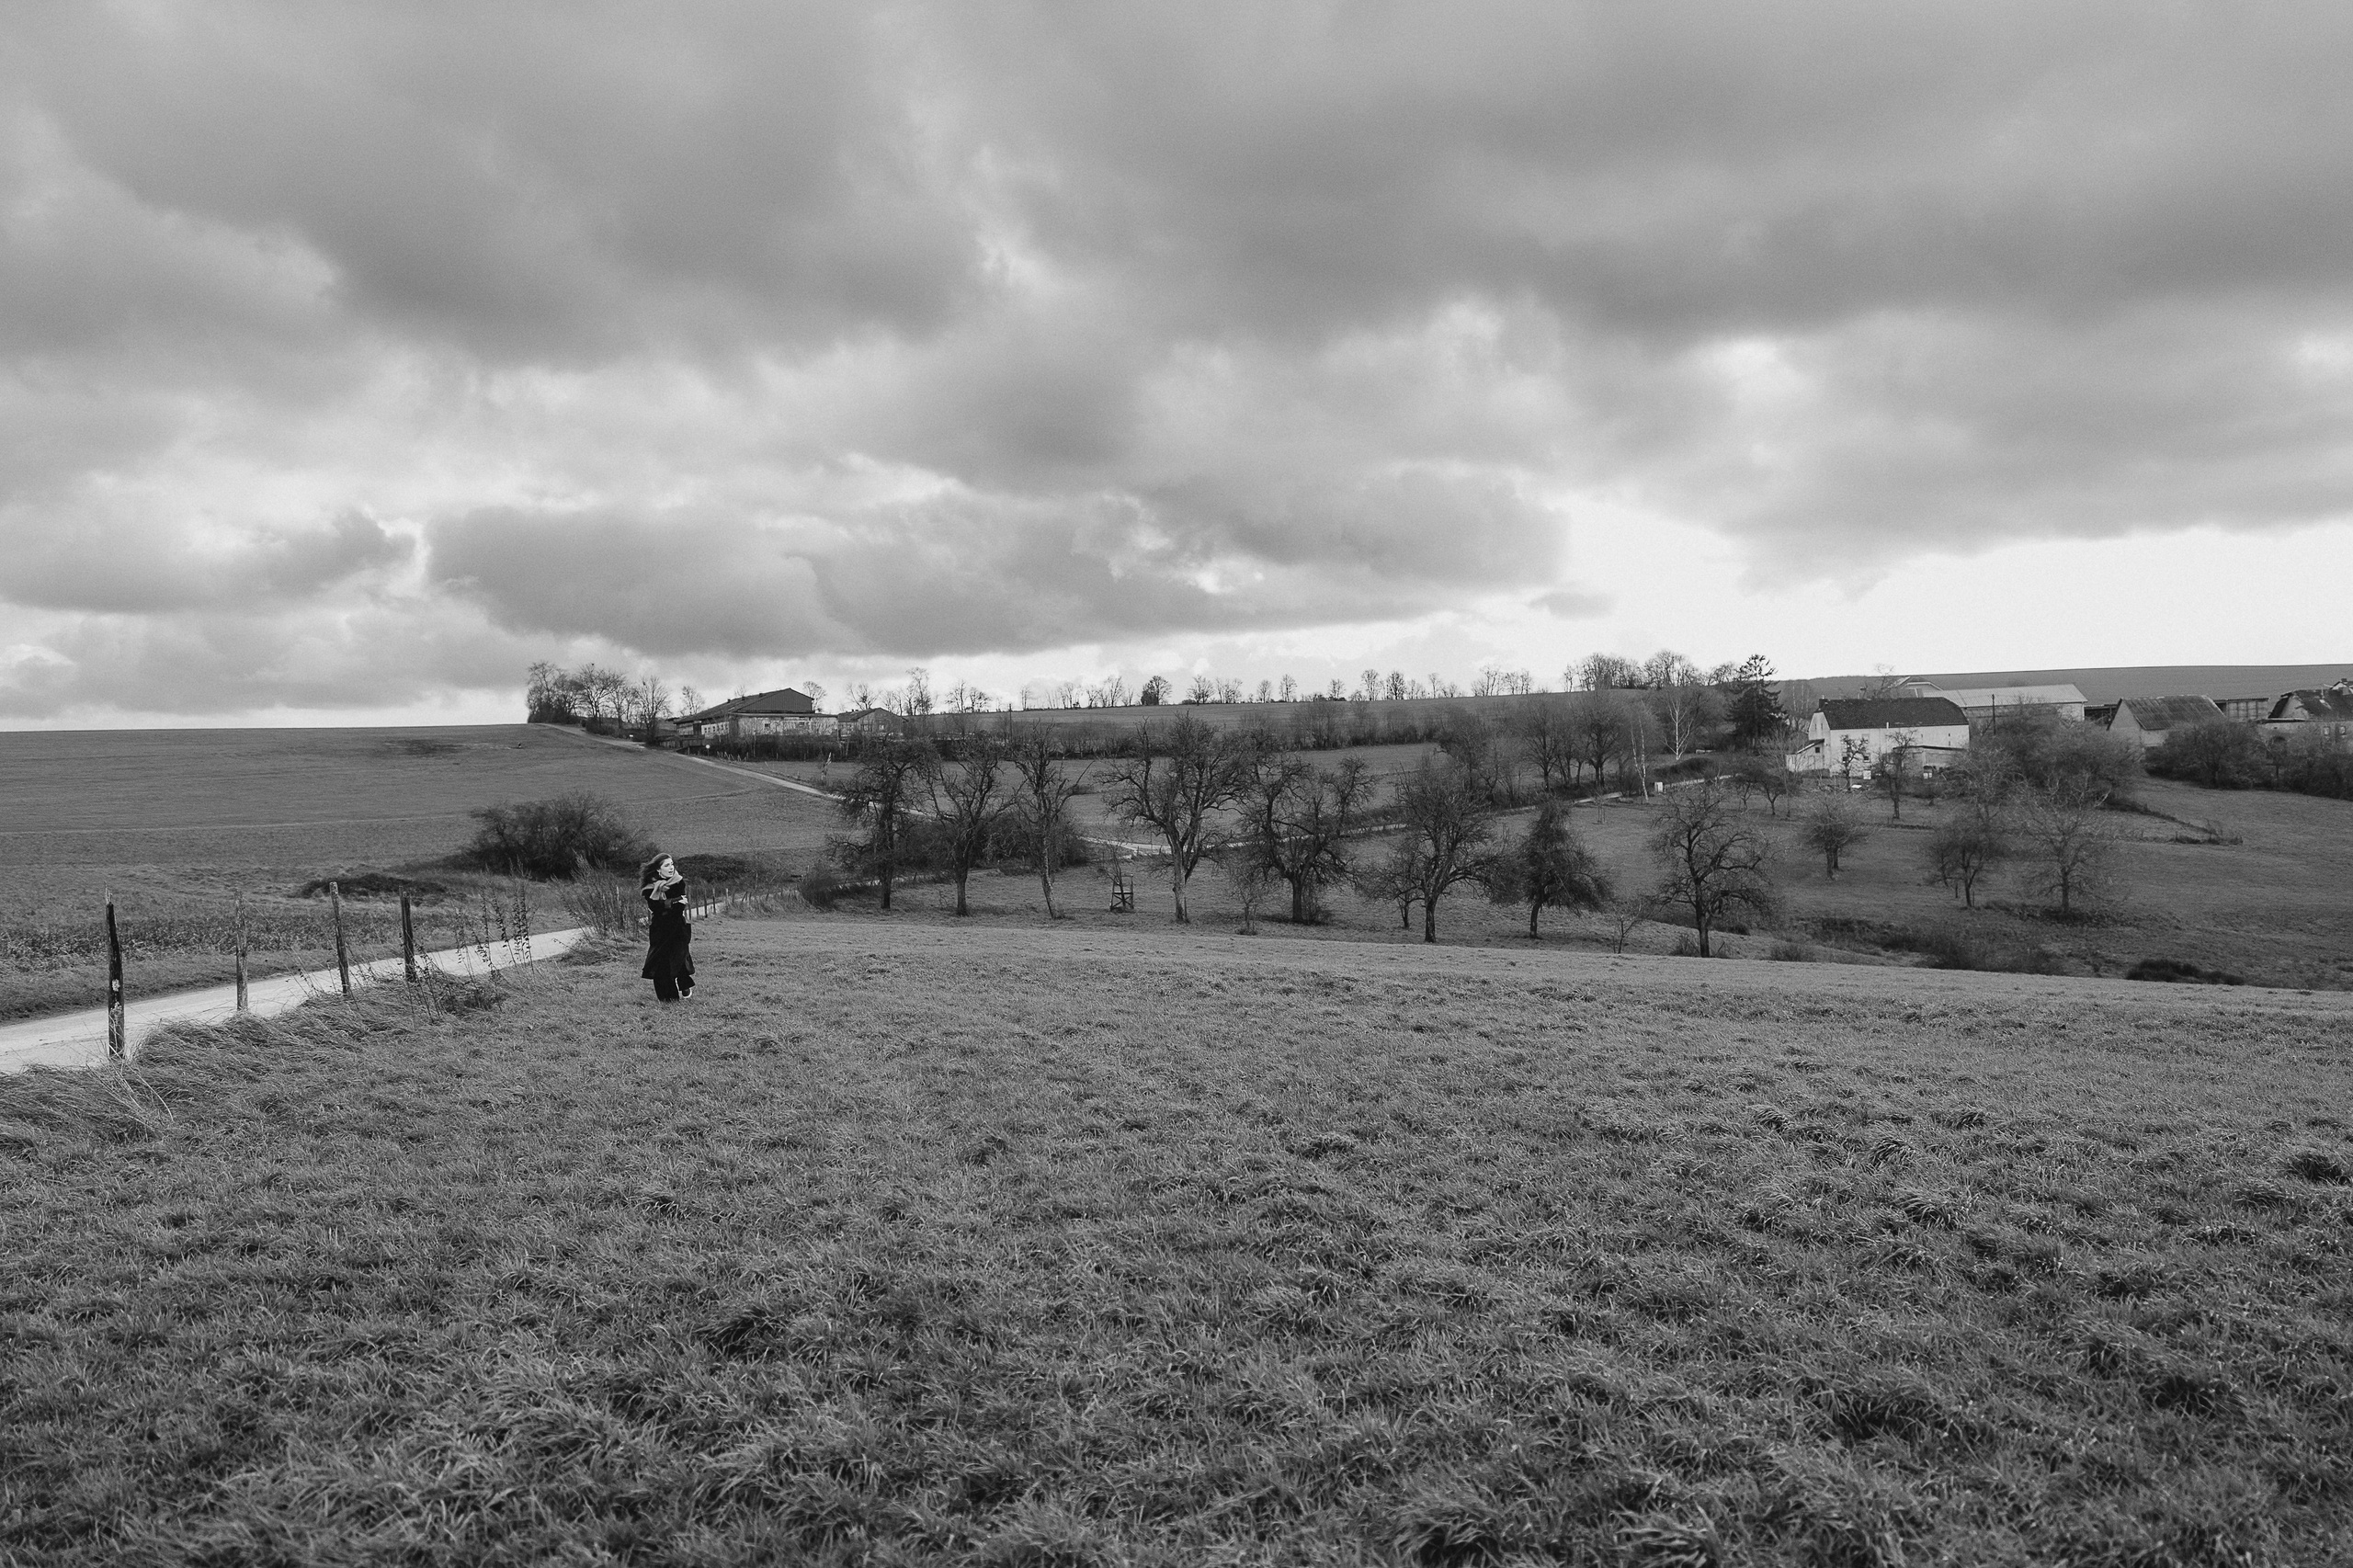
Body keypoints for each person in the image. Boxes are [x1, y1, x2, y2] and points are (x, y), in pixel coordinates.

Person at [639, 852, 696, 1002]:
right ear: (659, 869)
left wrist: (669, 904)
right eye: (667, 865)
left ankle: (684, 983)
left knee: (680, 957)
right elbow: (655, 908)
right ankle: (668, 998)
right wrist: (673, 902)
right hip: (660, 929)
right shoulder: (650, 887)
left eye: (672, 864)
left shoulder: (678, 882)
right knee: (661, 962)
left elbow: (680, 907)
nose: (671, 868)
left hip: (677, 927)